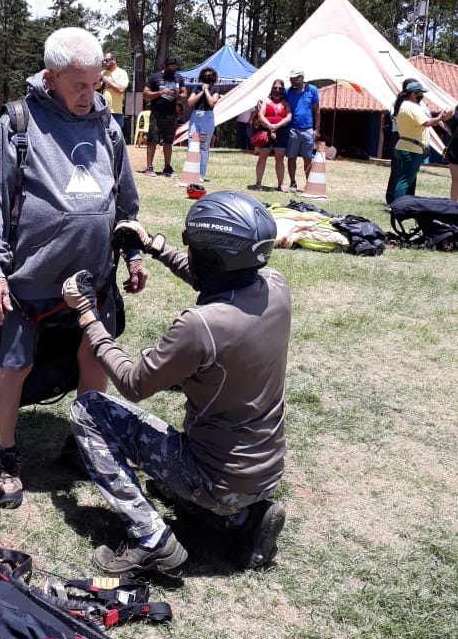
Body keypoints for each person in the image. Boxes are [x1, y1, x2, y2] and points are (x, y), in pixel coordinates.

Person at [61, 191, 290, 577]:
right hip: (265, 471)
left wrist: (86, 314)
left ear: (211, 253)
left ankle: (151, 539)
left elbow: (133, 384)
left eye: (192, 244)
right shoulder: (274, 286)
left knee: (88, 410)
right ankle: (243, 519)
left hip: (215, 478)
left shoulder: (200, 326)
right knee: (194, 476)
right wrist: (153, 245)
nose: (189, 250)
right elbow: (212, 280)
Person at [0, 26, 148, 509]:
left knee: (95, 361)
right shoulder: (18, 122)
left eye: (95, 84)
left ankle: (83, 443)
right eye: (78, 85)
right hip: (29, 284)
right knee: (15, 366)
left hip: (94, 283)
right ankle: (6, 455)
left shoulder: (108, 127)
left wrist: (132, 253)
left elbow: (125, 201)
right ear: (50, 77)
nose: (89, 96)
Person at [390, 81, 453, 201]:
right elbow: (427, 122)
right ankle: (398, 207)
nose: (422, 96)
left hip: (402, 146)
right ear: (414, 94)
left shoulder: (402, 106)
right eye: (420, 93)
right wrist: (440, 117)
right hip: (412, 149)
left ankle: (403, 204)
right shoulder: (412, 107)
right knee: (405, 181)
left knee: (402, 179)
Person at [142, 55, 186, 177]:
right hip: (156, 114)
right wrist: (160, 92)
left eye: (174, 68)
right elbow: (145, 94)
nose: (173, 70)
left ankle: (167, 167)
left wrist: (178, 95)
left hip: (171, 114)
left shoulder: (178, 77)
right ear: (165, 66)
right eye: (170, 68)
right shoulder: (155, 77)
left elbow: (184, 94)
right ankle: (149, 167)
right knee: (152, 141)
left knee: (168, 142)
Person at [249, 81, 292, 191]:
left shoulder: (286, 103)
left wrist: (276, 126)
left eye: (280, 88)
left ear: (283, 90)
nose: (277, 90)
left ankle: (281, 185)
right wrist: (270, 126)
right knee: (262, 157)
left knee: (279, 159)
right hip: (265, 132)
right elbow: (260, 115)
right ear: (271, 88)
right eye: (275, 88)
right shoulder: (265, 101)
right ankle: (258, 183)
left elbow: (288, 117)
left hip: (281, 133)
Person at [284, 69, 320, 192]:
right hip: (292, 129)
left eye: (295, 78)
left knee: (307, 157)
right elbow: (277, 100)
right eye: (291, 78)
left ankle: (309, 184)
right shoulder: (288, 91)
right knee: (291, 157)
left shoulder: (312, 90)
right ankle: (293, 183)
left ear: (302, 77)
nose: (293, 81)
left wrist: (317, 129)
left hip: (308, 129)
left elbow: (317, 110)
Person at [384, 77, 418, 204]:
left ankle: (405, 199)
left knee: (408, 169)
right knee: (399, 169)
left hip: (408, 137)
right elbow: (394, 117)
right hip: (401, 136)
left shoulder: (416, 103)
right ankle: (395, 199)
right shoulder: (398, 102)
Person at [186, 66, 220, 183]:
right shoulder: (196, 87)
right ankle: (191, 171)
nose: (207, 77)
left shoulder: (215, 89)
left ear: (213, 77)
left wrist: (206, 90)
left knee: (204, 147)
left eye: (210, 75)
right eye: (205, 75)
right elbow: (190, 102)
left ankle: (201, 173)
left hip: (207, 117)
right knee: (192, 144)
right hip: (195, 116)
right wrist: (201, 91)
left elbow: (211, 103)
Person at [97, 52, 129, 129]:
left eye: (107, 60)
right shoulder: (102, 73)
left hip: (115, 112)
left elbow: (121, 89)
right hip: (103, 112)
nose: (105, 62)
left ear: (114, 60)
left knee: (115, 136)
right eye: (104, 61)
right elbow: (94, 89)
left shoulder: (121, 73)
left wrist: (105, 79)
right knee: (104, 134)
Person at [443, 104, 458, 201]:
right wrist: (449, 130)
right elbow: (441, 119)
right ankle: (453, 207)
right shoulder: (454, 109)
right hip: (455, 148)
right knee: (456, 179)